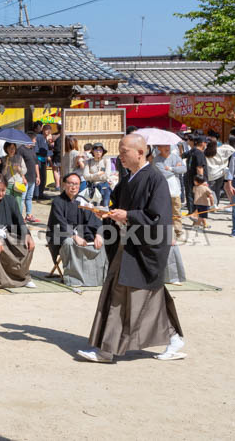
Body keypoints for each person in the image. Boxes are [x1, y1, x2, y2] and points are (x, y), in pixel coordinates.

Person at [77, 133, 185, 363]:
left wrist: (128, 215)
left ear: (140, 152)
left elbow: (158, 218)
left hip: (143, 247)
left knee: (129, 294)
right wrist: (104, 213)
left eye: (124, 152)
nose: (120, 156)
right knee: (135, 295)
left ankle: (107, 350)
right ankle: (172, 337)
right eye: (119, 152)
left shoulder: (155, 179)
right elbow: (115, 206)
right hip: (125, 245)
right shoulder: (127, 180)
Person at [46, 174, 107, 287]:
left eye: (76, 184)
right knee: (69, 242)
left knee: (102, 242)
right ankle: (73, 279)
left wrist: (98, 234)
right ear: (64, 184)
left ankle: (97, 278)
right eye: (70, 183)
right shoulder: (57, 202)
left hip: (82, 234)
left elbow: (94, 219)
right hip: (61, 235)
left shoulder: (82, 201)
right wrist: (73, 236)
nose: (73, 187)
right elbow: (59, 222)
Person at [152, 144, 186, 242]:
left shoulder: (175, 157)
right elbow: (163, 173)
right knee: (163, 212)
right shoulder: (157, 160)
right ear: (159, 148)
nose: (167, 148)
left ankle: (179, 232)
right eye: (163, 146)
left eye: (168, 145)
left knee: (176, 211)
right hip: (162, 190)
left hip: (175, 189)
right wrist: (176, 169)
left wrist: (171, 168)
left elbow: (184, 169)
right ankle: (165, 233)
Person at [183, 133, 208, 215]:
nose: (206, 144)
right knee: (198, 198)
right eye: (205, 142)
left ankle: (192, 212)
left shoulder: (192, 151)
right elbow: (199, 168)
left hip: (190, 177)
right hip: (197, 179)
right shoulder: (199, 153)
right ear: (202, 143)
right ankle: (196, 215)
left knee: (191, 196)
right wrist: (202, 182)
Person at [82, 144, 113, 208]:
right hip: (92, 187)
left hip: (104, 187)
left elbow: (106, 175)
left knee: (105, 208)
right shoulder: (88, 161)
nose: (98, 152)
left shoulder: (106, 160)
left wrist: (91, 176)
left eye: (100, 150)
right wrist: (97, 174)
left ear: (103, 151)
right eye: (96, 150)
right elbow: (85, 176)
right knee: (92, 208)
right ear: (93, 151)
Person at [17, 136, 40, 221]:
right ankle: (20, 216)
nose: (35, 141)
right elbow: (18, 165)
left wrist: (38, 176)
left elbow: (36, 164)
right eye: (34, 139)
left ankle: (29, 215)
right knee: (22, 198)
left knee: (29, 197)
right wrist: (22, 177)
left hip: (32, 178)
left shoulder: (32, 150)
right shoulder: (21, 150)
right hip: (24, 179)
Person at [2, 141, 28, 214]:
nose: (11, 150)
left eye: (13, 148)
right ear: (6, 149)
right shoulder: (3, 159)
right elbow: (2, 174)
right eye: (9, 148)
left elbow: (25, 170)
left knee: (18, 203)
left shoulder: (19, 158)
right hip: (8, 184)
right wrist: (6, 166)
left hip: (18, 184)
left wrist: (19, 169)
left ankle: (18, 218)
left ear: (15, 149)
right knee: (7, 203)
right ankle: (8, 218)